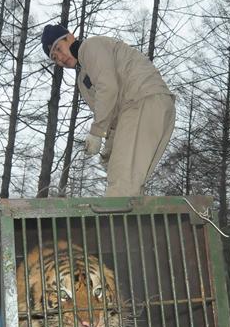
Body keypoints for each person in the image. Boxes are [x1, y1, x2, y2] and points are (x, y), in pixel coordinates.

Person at [42, 23, 176, 197]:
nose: (60, 58)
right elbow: (112, 112)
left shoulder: (90, 47)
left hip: (142, 99)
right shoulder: (83, 79)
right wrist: (109, 147)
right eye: (54, 58)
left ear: (70, 37)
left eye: (59, 48)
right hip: (148, 106)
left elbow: (108, 88)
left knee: (122, 183)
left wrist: (97, 132)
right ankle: (138, 222)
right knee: (128, 181)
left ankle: (116, 222)